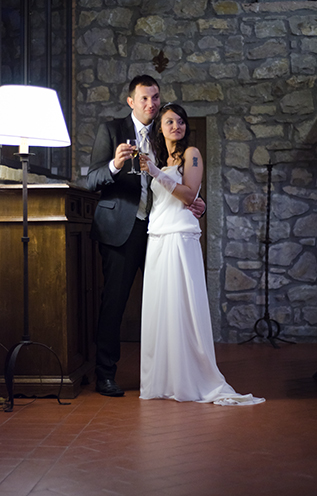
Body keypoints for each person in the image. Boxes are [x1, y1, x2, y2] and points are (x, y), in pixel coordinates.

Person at [139, 103, 265, 405]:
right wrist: (154, 169)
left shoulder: (192, 153)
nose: (176, 126)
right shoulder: (156, 157)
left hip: (181, 236)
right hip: (157, 235)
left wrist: (156, 172)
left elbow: (189, 195)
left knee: (183, 307)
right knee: (161, 309)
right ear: (160, 127)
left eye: (180, 122)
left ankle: (190, 377)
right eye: (170, 121)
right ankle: (163, 379)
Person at [87, 76, 205, 397]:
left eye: (155, 98)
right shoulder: (112, 130)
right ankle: (105, 374)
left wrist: (197, 204)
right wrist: (115, 163)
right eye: (144, 99)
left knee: (162, 302)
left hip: (158, 232)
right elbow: (91, 179)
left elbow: (177, 181)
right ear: (131, 101)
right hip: (121, 230)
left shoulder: (162, 135)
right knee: (114, 303)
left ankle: (168, 372)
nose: (151, 104)